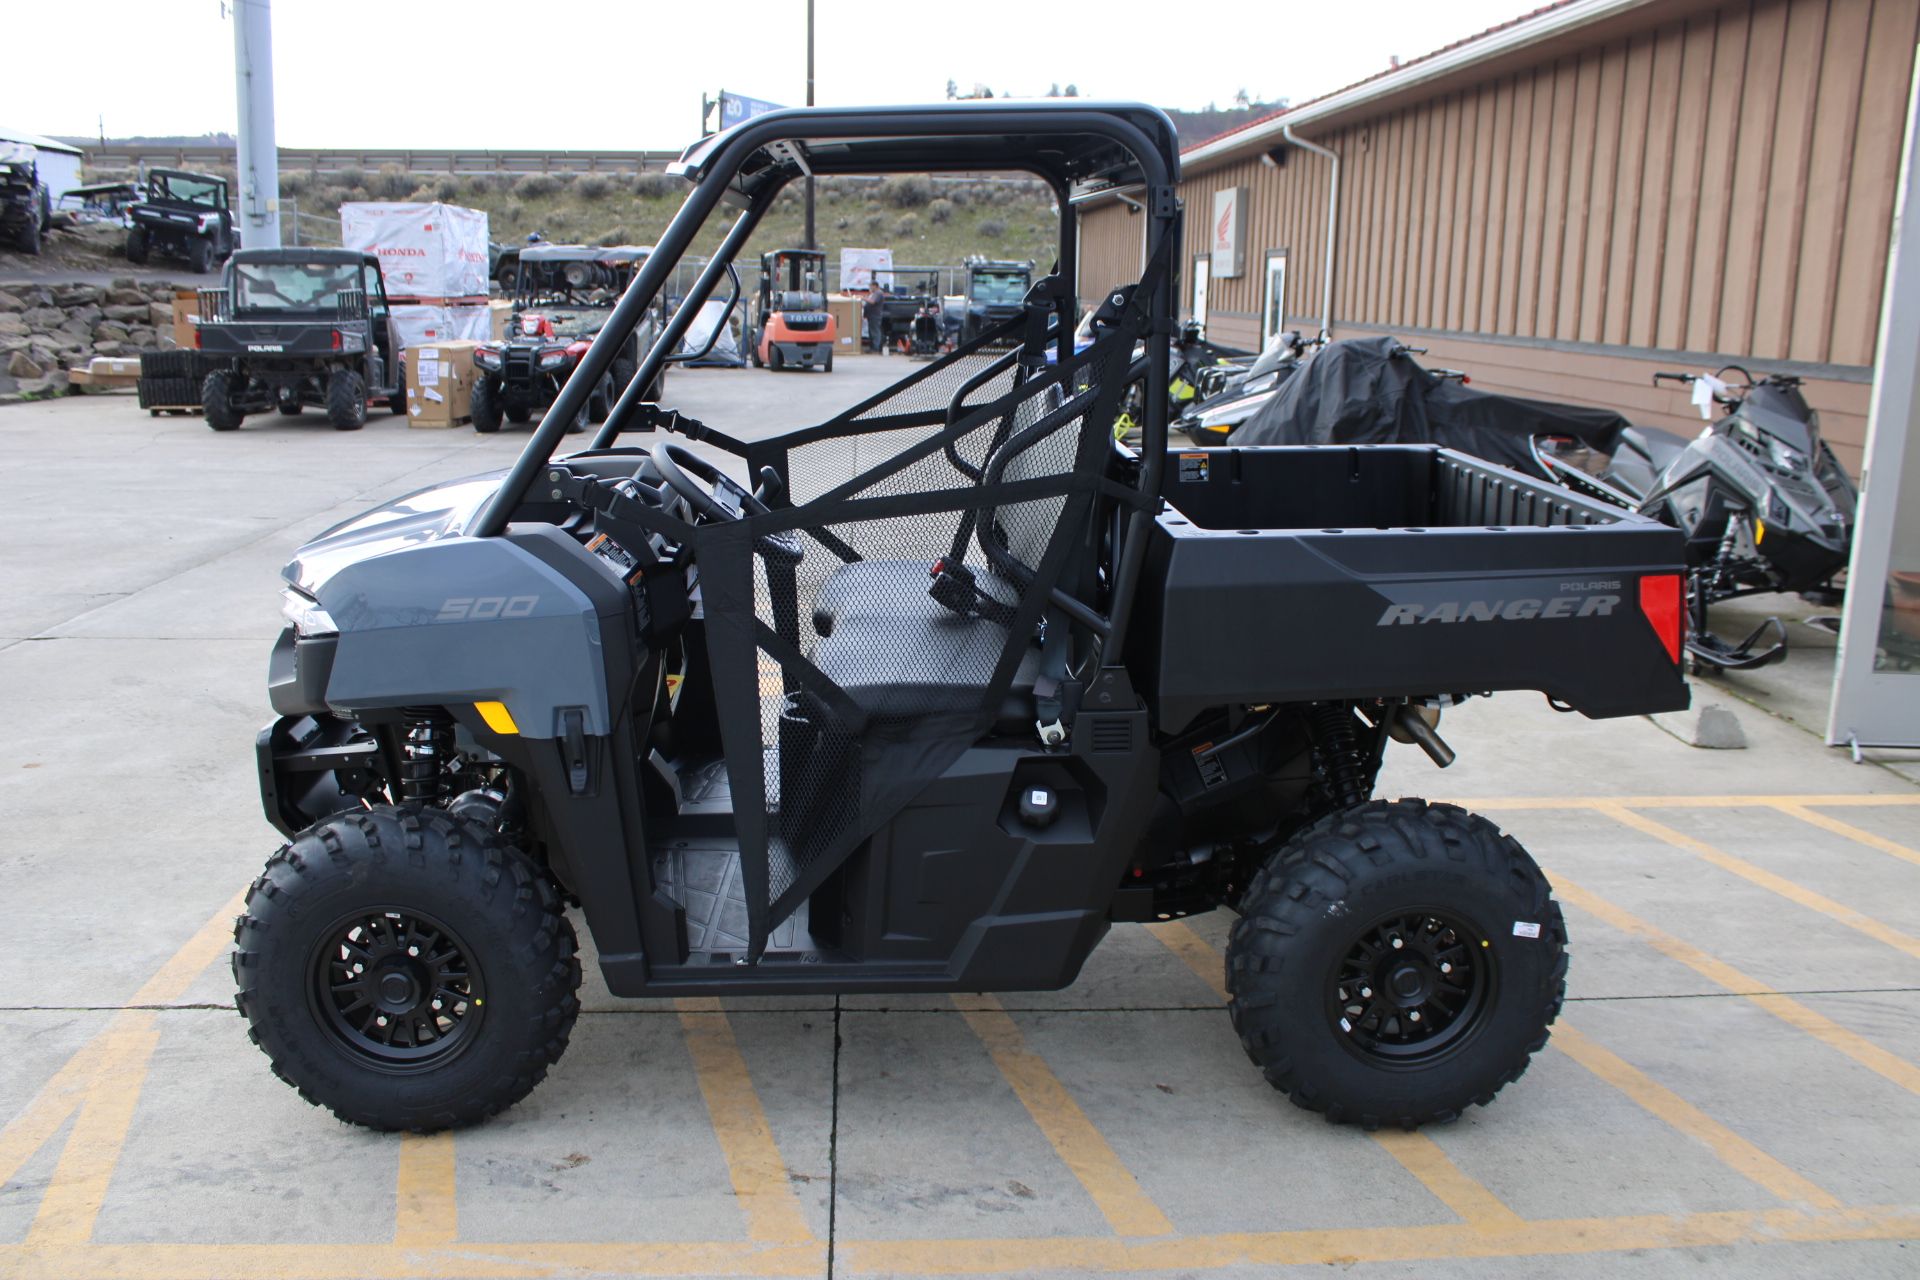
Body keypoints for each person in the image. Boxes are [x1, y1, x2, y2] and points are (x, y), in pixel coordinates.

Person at [863, 281, 887, 353]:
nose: (870, 288)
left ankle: (876, 348)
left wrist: (863, 298)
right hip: (871, 315)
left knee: (875, 332)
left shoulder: (878, 293)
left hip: (875, 315)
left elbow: (872, 302)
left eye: (871, 286)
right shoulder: (873, 293)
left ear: (875, 286)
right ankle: (872, 347)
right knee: (871, 332)